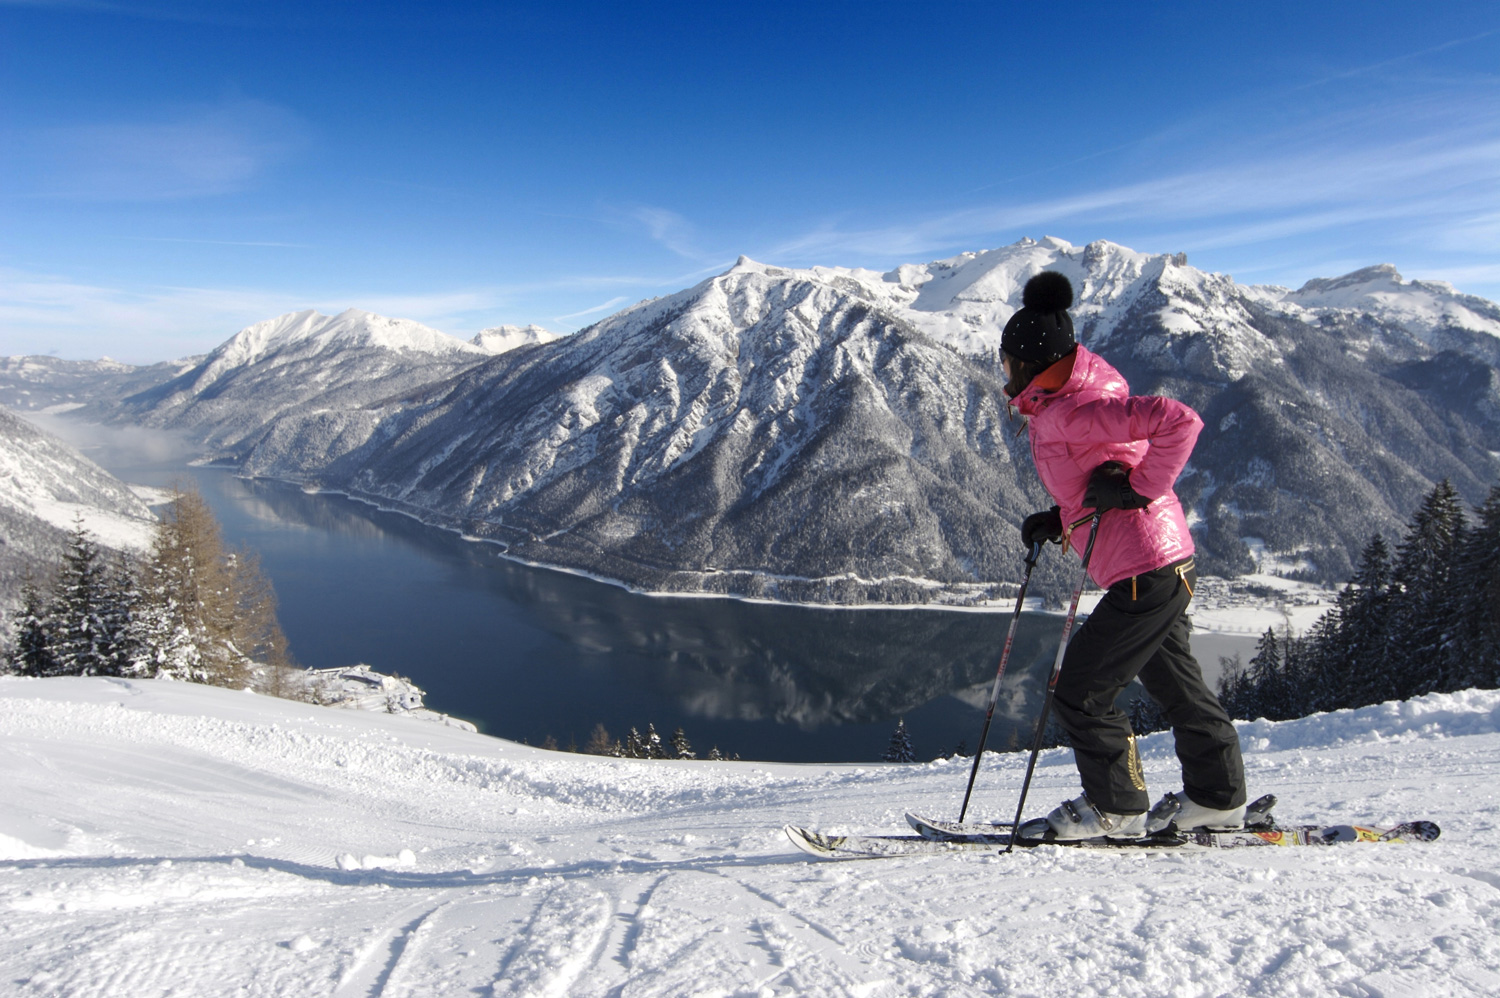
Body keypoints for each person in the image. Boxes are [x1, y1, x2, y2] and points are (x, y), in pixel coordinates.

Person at [1001, 270, 1247, 840]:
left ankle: (1117, 806)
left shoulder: (1073, 410)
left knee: (1079, 691)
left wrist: (1141, 489)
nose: (1004, 371)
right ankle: (1217, 798)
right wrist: (1061, 518)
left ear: (1035, 364)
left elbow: (1179, 420)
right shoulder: (1066, 400)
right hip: (1163, 563)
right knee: (1177, 687)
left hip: (1145, 570)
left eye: (1009, 361)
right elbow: (1102, 471)